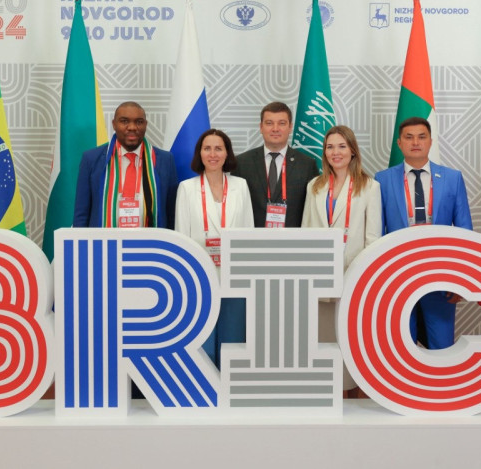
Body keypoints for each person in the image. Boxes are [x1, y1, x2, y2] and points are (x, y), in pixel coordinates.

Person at [375, 117, 473, 350]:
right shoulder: (382, 180)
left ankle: (442, 376)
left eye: (421, 137)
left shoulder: (452, 178)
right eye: (409, 137)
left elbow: (465, 231)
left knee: (442, 346)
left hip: (440, 274)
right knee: (400, 346)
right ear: (399, 143)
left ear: (430, 141)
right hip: (398, 275)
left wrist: (460, 280)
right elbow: (377, 234)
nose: (415, 142)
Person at [302, 125, 382, 396]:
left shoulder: (370, 187)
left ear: (353, 151)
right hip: (320, 278)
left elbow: (372, 239)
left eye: (341, 146)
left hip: (352, 276)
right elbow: (306, 230)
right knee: (323, 338)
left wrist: (363, 277)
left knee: (350, 338)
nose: (335, 152)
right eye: (330, 147)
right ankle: (328, 392)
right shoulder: (314, 186)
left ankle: (354, 394)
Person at [175, 129, 253, 368]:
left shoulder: (241, 185)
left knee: (233, 340)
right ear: (199, 153)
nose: (213, 154)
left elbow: (248, 231)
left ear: (227, 153)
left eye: (218, 148)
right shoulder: (186, 188)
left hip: (234, 276)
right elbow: (182, 236)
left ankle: (230, 387)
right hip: (200, 277)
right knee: (203, 343)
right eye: (207, 148)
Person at [74, 101, 178, 229]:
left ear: (146, 125)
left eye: (139, 122)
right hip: (103, 241)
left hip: (151, 240)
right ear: (114, 124)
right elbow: (81, 215)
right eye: (124, 121)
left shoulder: (165, 160)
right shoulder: (91, 159)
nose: (132, 127)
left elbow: (172, 214)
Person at [232, 101, 319, 228]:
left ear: (290, 127)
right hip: (253, 238)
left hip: (293, 238)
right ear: (261, 127)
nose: (275, 129)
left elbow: (312, 210)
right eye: (269, 123)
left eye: (282, 123)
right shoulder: (242, 163)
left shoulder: (307, 165)